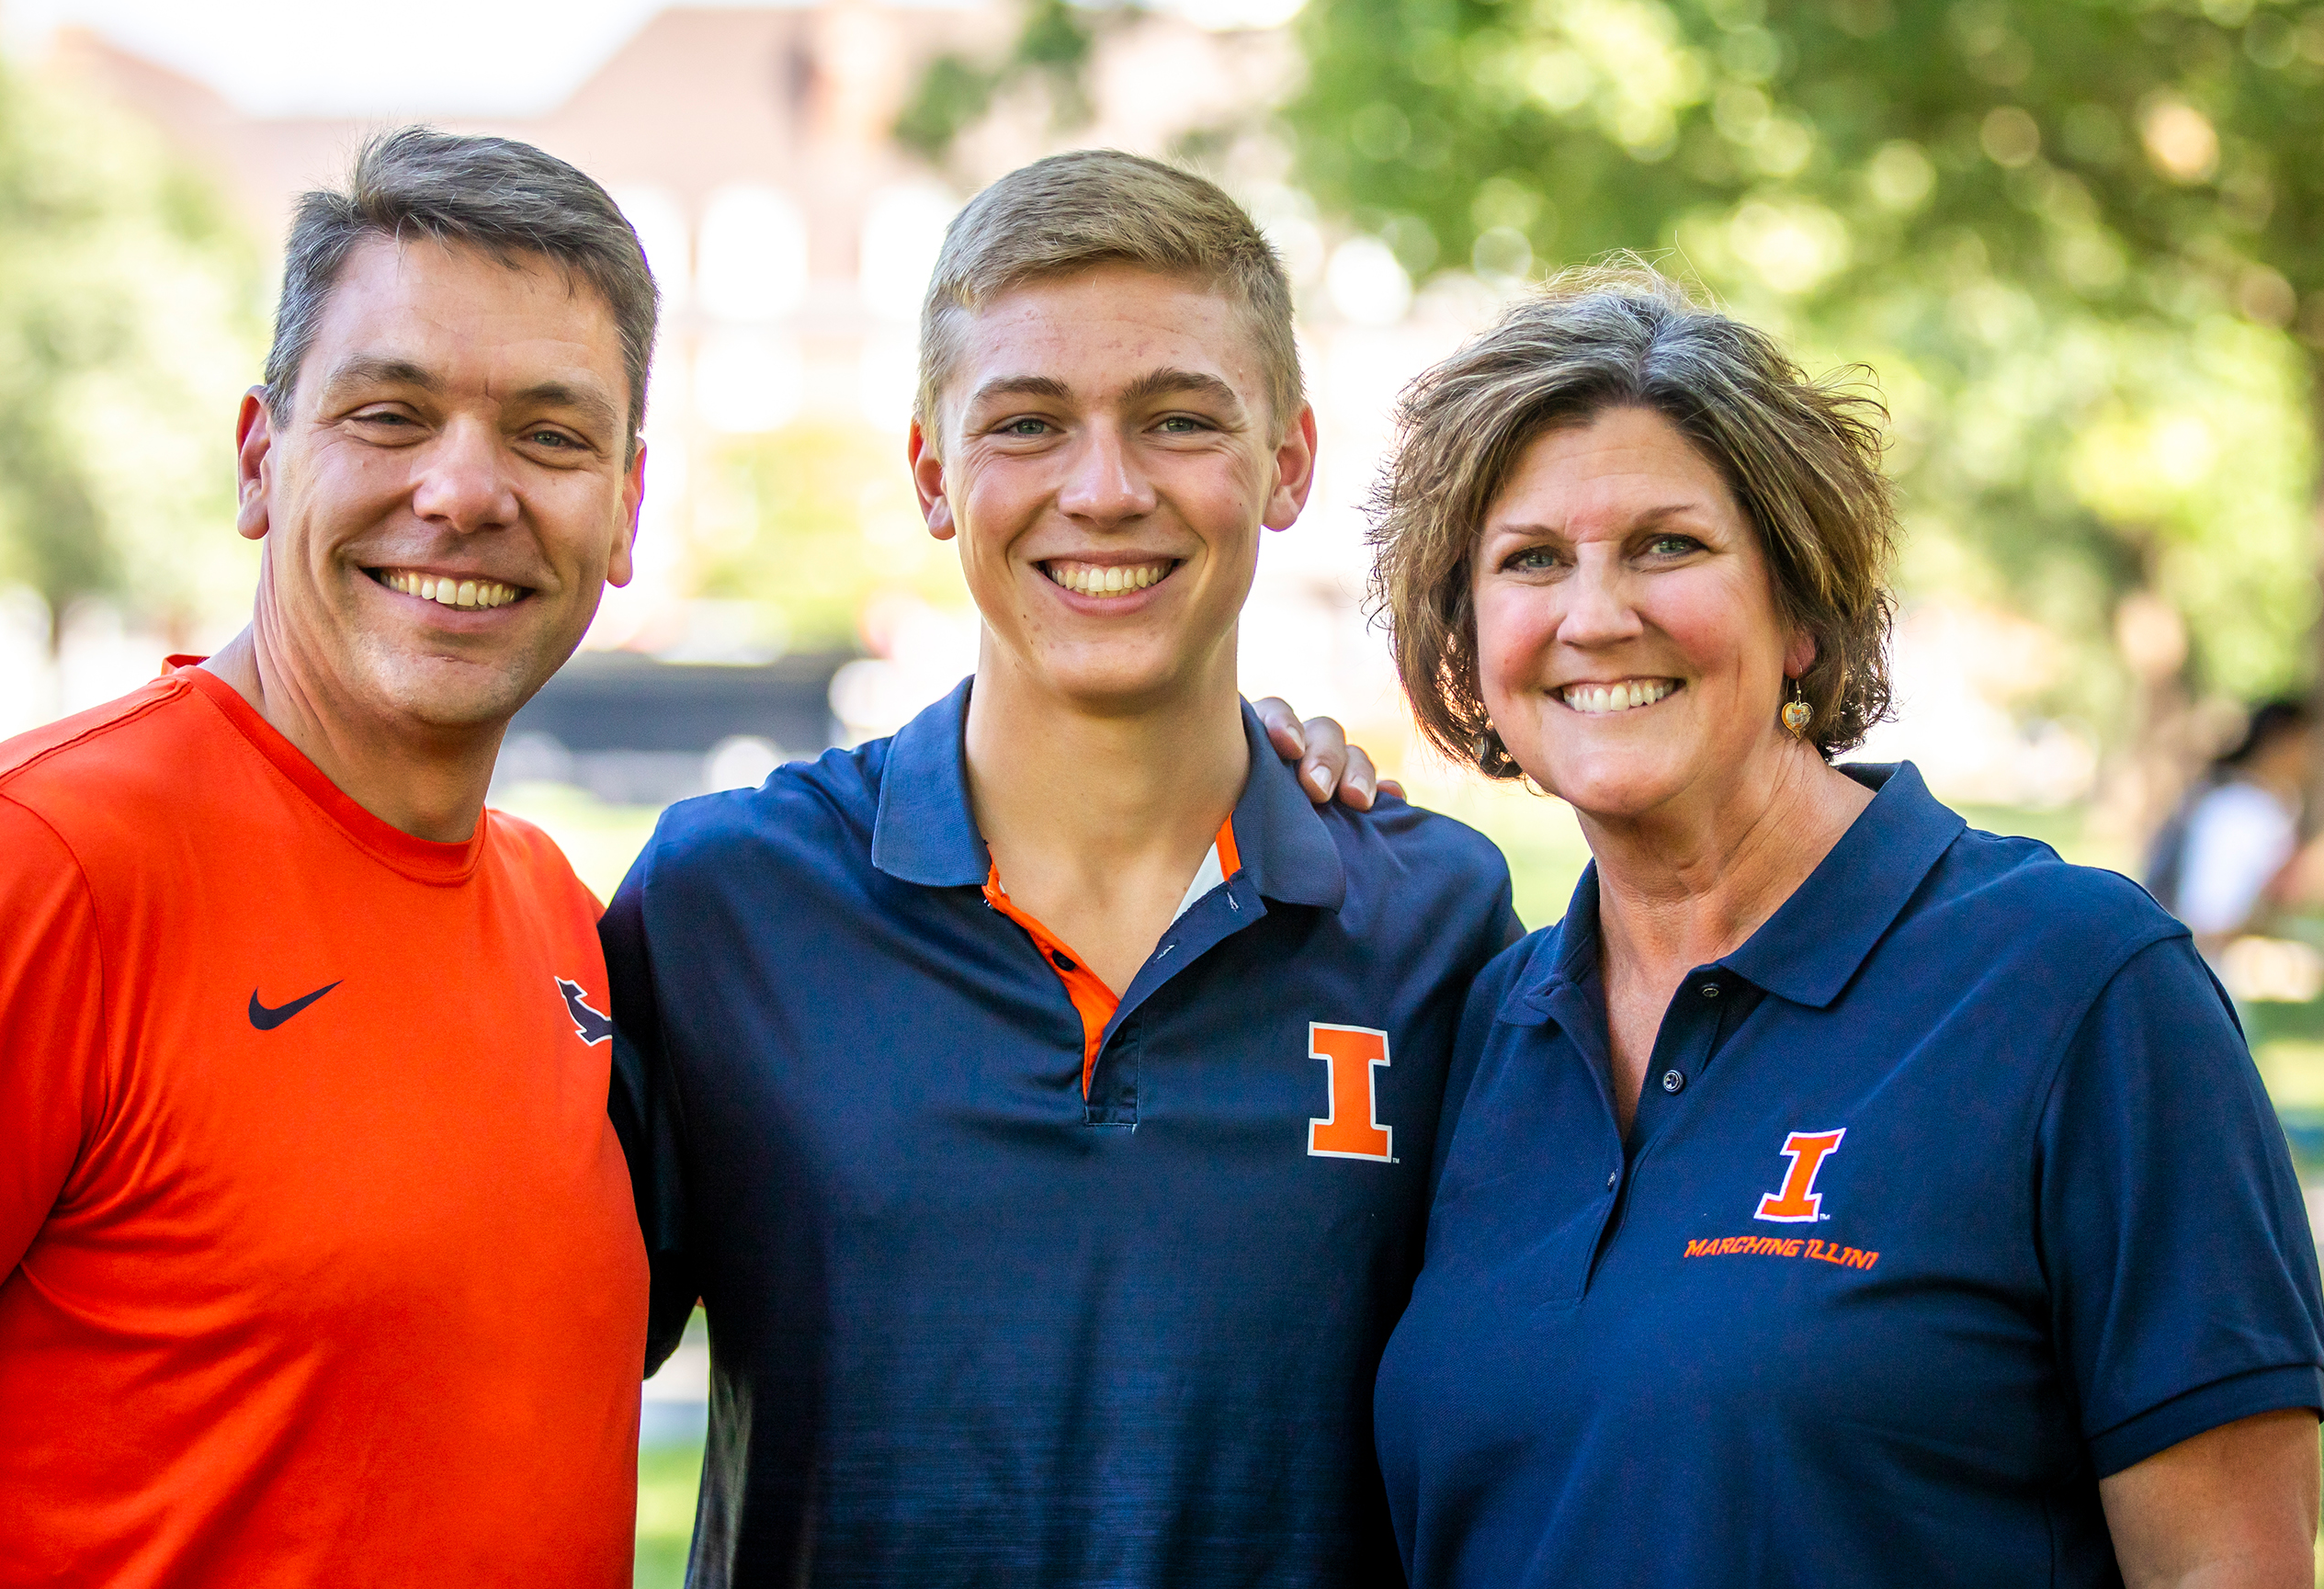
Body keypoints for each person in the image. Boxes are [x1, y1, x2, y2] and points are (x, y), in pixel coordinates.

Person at [0, 129, 662, 1585]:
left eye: (549, 434)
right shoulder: (38, 871)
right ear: (260, 459)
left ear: (626, 509)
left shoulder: (559, 919)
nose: (467, 493)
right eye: (391, 413)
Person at [603, 151, 1518, 1586]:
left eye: (1176, 420)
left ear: (1285, 464)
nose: (1102, 489)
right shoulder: (725, 901)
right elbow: (483, 1360)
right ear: (931, 473)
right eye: (1027, 423)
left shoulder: (1440, 926)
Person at [1363, 267, 2324, 1588]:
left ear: (1800, 613)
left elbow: (2225, 1569)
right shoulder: (1484, 1029)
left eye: (1668, 546)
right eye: (1530, 560)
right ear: (1467, 644)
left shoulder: (2076, 986)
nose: (1595, 615)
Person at [2145, 698, 2314, 945]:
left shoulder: (2267, 806)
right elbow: (2209, 924)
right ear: (2283, 742)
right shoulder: (2238, 810)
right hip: (2215, 974)